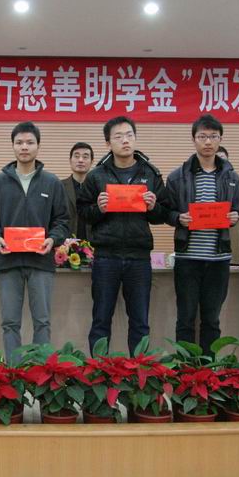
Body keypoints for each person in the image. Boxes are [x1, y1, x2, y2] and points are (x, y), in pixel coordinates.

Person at [77, 115, 170, 354]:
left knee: (140, 321)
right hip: (106, 256)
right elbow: (83, 212)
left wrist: (154, 207)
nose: (125, 141)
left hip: (139, 257)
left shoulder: (150, 173)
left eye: (129, 135)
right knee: (101, 320)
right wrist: (99, 208)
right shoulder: (97, 175)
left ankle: (138, 371)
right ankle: (99, 370)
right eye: (118, 137)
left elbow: (164, 214)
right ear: (108, 143)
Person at [0, 121, 69, 363]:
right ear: (12, 146)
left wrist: (53, 239)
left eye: (30, 142)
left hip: (41, 261)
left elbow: (62, 220)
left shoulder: (51, 182)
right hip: (8, 261)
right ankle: (14, 371)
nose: (24, 147)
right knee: (10, 322)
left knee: (43, 321)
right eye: (19, 142)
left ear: (38, 146)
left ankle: (41, 373)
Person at [165, 114, 239, 352]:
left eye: (213, 136)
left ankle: (209, 366)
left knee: (212, 319)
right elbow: (165, 211)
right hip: (188, 257)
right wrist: (179, 218)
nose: (208, 142)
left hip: (219, 258)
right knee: (185, 318)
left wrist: (235, 216)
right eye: (202, 136)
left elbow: (237, 208)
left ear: (220, 140)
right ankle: (185, 366)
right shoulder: (177, 176)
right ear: (193, 139)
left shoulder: (231, 176)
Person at [63, 142, 94, 241]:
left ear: (92, 161)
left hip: (93, 244)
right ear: (70, 160)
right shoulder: (59, 187)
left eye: (85, 157)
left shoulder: (97, 188)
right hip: (65, 244)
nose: (80, 160)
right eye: (76, 156)